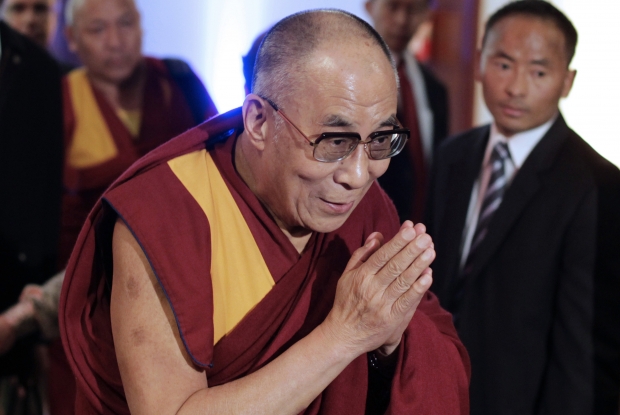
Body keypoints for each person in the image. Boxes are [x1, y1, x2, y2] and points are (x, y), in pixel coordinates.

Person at [59, 9, 470, 414]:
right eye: (334, 141)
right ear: (258, 121)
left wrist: (391, 341)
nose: (360, 175)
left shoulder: (367, 208)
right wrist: (345, 335)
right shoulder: (166, 215)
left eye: (381, 139)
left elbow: (430, 352)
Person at [1, 0, 218, 412]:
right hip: (80, 304)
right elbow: (30, 213)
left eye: (125, 24)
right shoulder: (55, 98)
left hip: (183, 295)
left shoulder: (177, 82)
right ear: (72, 39)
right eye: (98, 29)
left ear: (141, 27)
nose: (115, 42)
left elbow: (221, 170)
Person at [425, 1, 620, 414]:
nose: (516, 88)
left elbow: (585, 348)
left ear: (567, 81)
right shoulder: (453, 155)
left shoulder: (597, 184)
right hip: (435, 390)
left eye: (538, 72)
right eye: (503, 64)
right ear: (480, 63)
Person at [0, 14, 63, 414]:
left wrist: (29, 331)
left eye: (39, 7)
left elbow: (41, 200)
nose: (30, 19)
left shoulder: (41, 70)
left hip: (14, 293)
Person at [365, 0, 449, 224]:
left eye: (413, 10)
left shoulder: (435, 88)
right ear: (370, 5)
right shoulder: (349, 79)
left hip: (420, 227)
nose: (402, 20)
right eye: (393, 6)